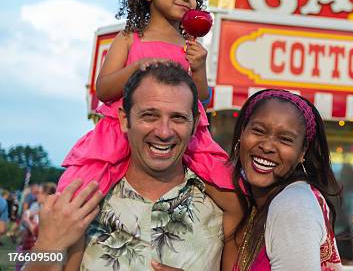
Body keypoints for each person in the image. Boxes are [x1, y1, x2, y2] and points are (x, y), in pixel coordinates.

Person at [57, 0, 241, 259]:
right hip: (118, 131)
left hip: (188, 139)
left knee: (234, 197)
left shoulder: (190, 46)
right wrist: (135, 68)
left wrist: (199, 68)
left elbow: (201, 98)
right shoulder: (131, 38)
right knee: (75, 199)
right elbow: (104, 88)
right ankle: (59, 259)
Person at [29, 63, 242, 270]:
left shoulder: (226, 206)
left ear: (194, 124)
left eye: (177, 118)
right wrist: (46, 247)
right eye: (150, 116)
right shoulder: (84, 205)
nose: (164, 132)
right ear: (124, 119)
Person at [229, 89, 344, 271]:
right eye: (258, 131)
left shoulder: (293, 203)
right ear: (242, 132)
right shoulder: (253, 198)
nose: (267, 146)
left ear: (302, 153)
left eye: (285, 139)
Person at [16, 183, 56, 271]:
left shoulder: (53, 212)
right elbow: (23, 220)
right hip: (27, 247)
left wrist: (29, 223)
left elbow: (42, 233)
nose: (36, 195)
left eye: (39, 192)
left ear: (47, 195)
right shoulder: (36, 205)